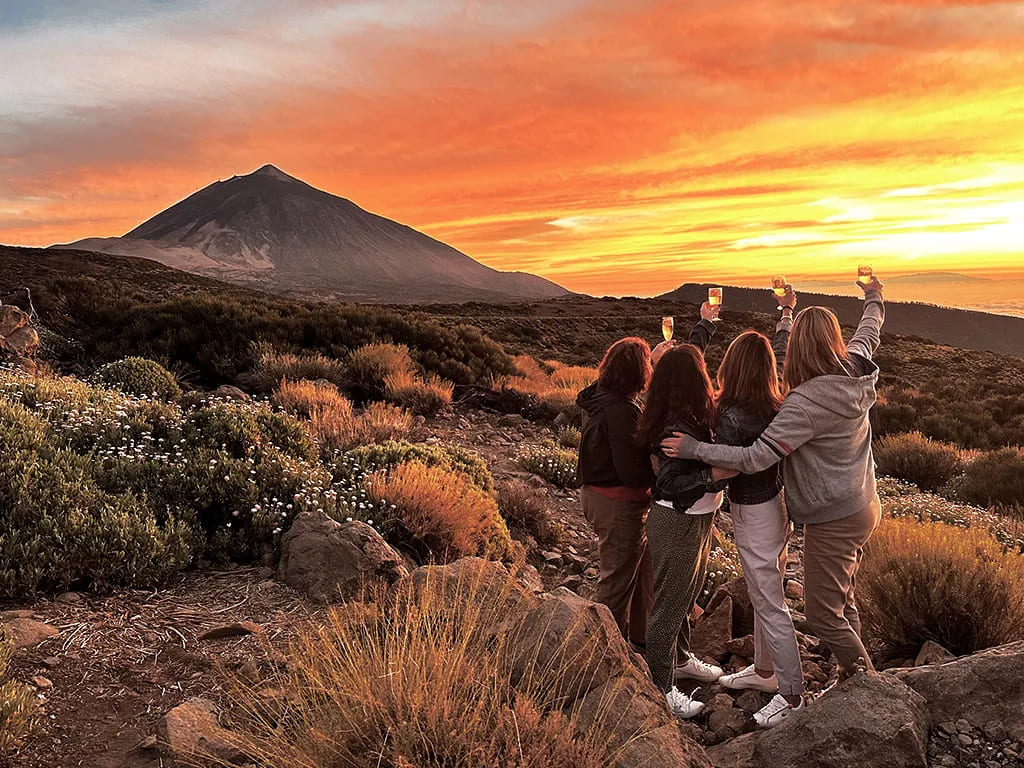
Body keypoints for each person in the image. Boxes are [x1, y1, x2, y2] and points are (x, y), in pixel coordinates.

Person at [662, 275, 885, 726]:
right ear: (834, 342)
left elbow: (756, 456)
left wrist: (694, 450)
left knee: (820, 613)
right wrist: (872, 294)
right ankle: (800, 674)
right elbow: (871, 327)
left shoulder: (802, 404)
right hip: (862, 503)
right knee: (841, 598)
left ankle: (856, 687)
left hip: (831, 513)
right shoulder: (853, 366)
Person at [713, 285, 806, 727]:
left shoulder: (730, 414)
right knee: (765, 590)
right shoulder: (778, 402)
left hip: (752, 512)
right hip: (779, 507)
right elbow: (783, 353)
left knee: (770, 602)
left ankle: (791, 695)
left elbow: (728, 471)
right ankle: (766, 672)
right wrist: (786, 315)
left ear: (732, 367)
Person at [637, 302, 734, 719]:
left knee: (687, 593)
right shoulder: (677, 424)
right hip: (677, 518)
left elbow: (687, 354)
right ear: (694, 380)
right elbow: (671, 483)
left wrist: (705, 326)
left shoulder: (686, 407)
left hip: (697, 516)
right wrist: (715, 474)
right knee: (669, 604)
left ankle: (679, 659)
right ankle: (661, 688)